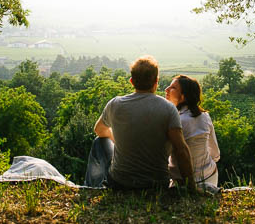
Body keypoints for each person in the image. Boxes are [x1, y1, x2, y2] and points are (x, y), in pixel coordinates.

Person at [86, 55, 195, 190]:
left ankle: (90, 189)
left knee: (99, 142)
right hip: (157, 185)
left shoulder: (115, 104)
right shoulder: (168, 109)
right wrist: (191, 187)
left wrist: (116, 139)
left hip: (121, 183)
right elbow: (181, 150)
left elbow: (99, 130)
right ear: (156, 81)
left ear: (132, 81)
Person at [165, 74, 220, 189]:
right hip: (209, 176)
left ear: (183, 96)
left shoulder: (175, 120)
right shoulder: (205, 116)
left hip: (181, 182)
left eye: (173, 88)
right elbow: (215, 154)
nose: (167, 89)